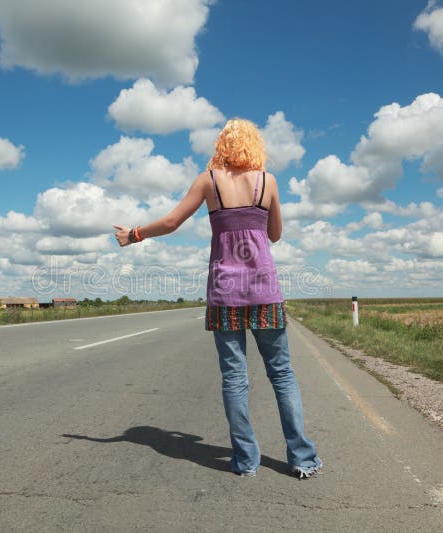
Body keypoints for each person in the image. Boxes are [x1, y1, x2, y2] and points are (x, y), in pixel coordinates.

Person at [112, 118, 322, 479]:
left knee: (234, 378)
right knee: (283, 375)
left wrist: (135, 233)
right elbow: (275, 236)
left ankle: (245, 461)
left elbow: (173, 221)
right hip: (264, 292)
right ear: (255, 145)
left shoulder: (208, 181)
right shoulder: (267, 181)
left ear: (221, 145)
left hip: (225, 295)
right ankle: (301, 458)